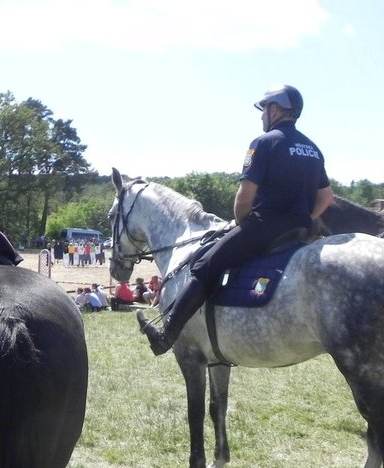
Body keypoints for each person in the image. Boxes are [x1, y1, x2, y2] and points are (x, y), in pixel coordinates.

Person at [137, 84, 334, 355]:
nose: (262, 115)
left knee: (204, 265)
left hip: (265, 227)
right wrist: (305, 218)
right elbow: (326, 197)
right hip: (300, 229)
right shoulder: (313, 149)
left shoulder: (263, 143)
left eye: (264, 109)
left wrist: (243, 223)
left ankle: (166, 335)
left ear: (275, 110)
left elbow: (245, 196)